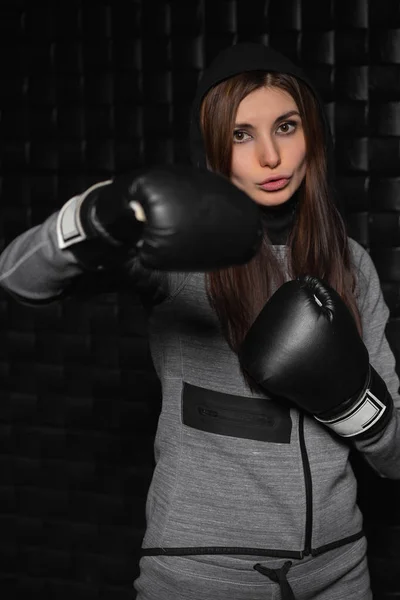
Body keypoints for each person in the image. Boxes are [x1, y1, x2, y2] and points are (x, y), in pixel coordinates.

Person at [1, 41, 399, 600]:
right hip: (201, 573)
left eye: (286, 126)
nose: (270, 156)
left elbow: (395, 457)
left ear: (312, 135)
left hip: (340, 572)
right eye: (242, 134)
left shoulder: (352, 263)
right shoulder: (180, 254)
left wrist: (353, 402)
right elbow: (18, 277)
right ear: (214, 150)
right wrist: (100, 214)